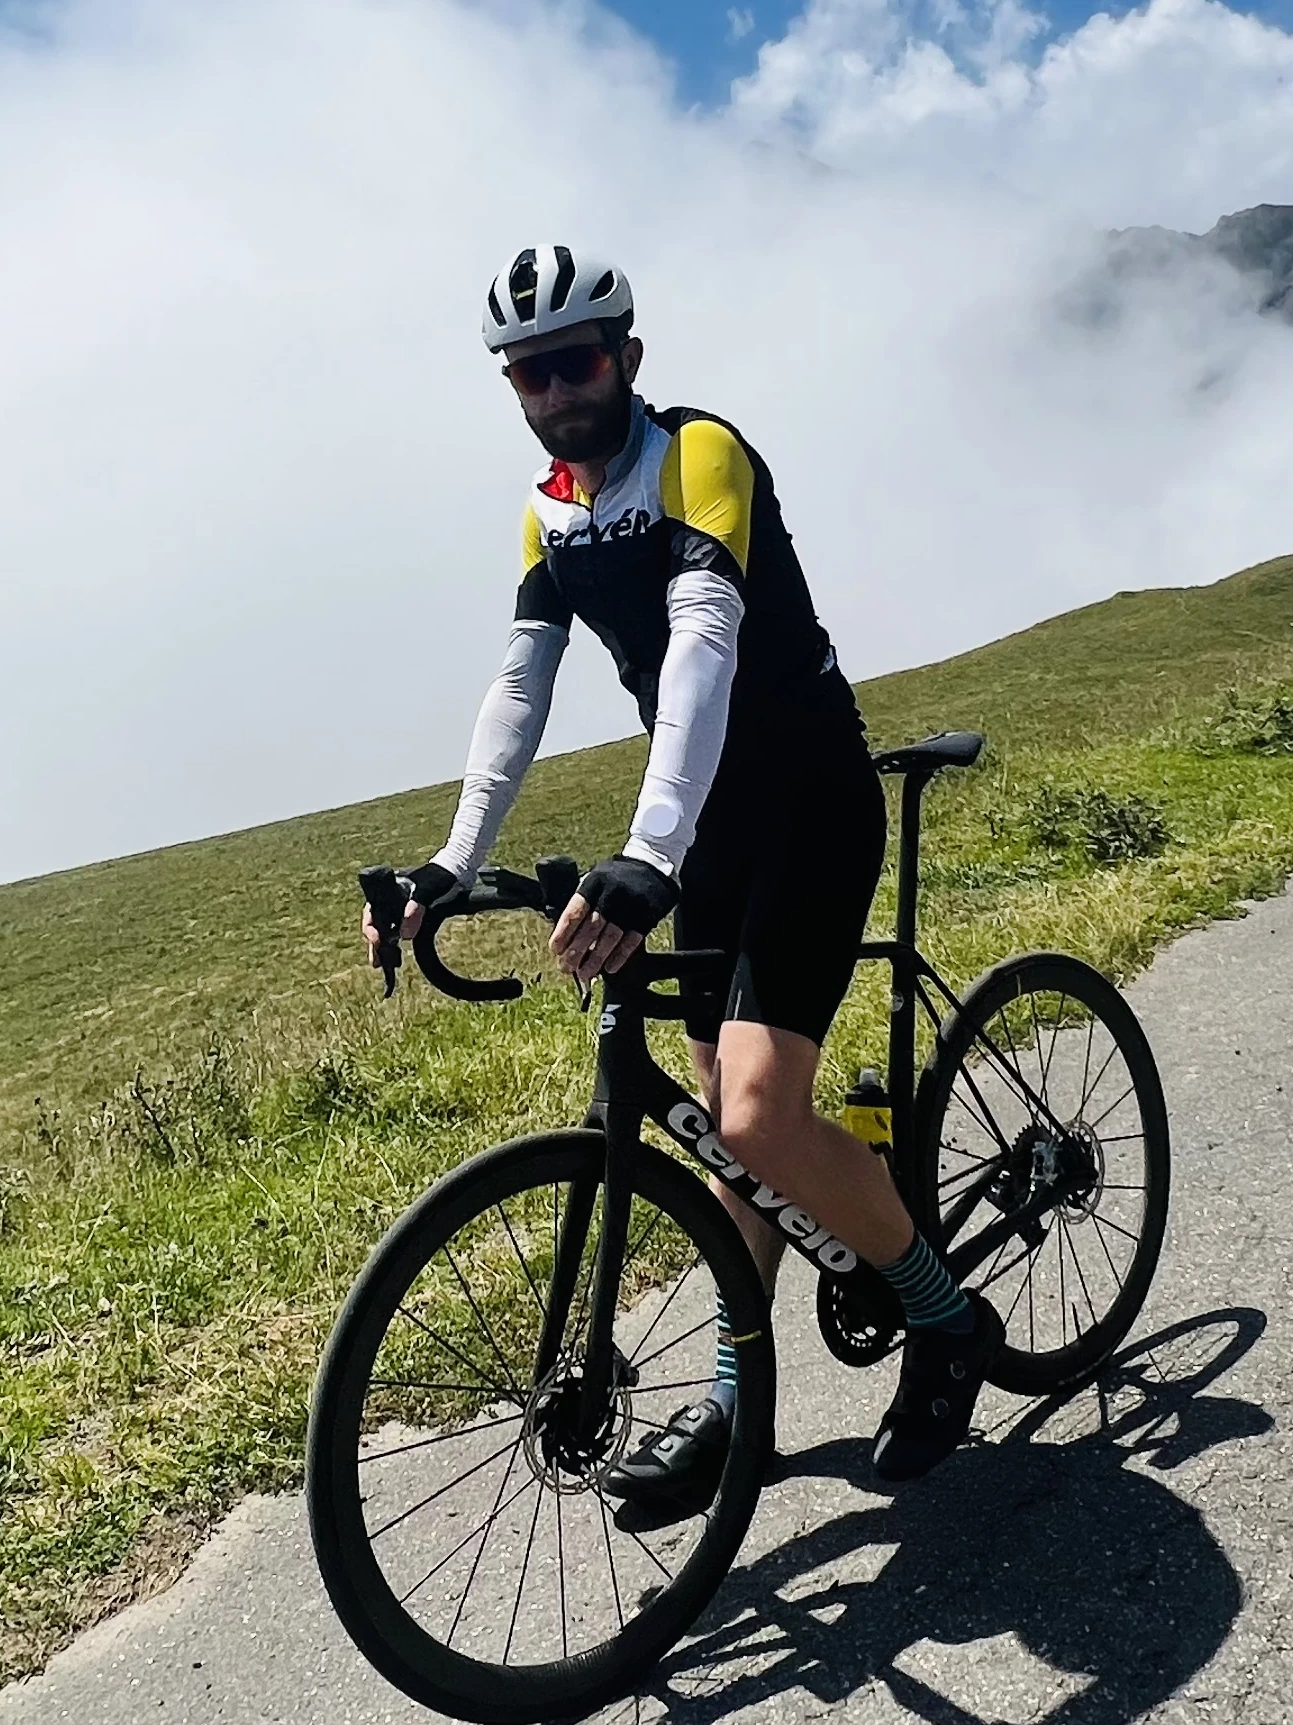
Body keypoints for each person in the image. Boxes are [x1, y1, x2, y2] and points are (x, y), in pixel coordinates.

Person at [365, 244, 1001, 1512]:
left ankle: (947, 1323)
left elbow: (704, 640)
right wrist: (452, 860)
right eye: (527, 373)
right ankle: (732, 1404)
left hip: (810, 809)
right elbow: (521, 685)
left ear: (627, 360)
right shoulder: (548, 505)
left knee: (760, 1118)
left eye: (576, 361)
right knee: (724, 1129)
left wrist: (648, 854)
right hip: (708, 826)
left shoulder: (697, 454)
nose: (554, 390)